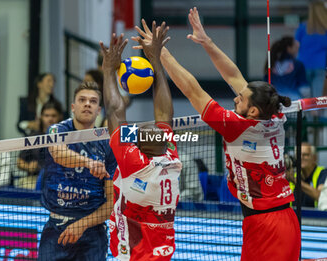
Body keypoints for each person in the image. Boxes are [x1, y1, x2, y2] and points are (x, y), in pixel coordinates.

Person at [133, 8, 300, 261]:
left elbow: (193, 90)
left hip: (270, 226)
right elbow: (233, 75)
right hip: (276, 220)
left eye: (240, 99)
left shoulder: (239, 127)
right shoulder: (274, 114)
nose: (235, 99)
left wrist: (160, 54)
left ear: (252, 110)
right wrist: (206, 41)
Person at [100, 25, 182, 260]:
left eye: (137, 136)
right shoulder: (171, 159)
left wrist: (107, 71)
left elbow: (115, 112)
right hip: (161, 254)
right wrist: (155, 60)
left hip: (133, 255)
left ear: (140, 149)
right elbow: (165, 114)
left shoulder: (135, 163)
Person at [38, 82, 117, 261]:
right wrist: (90, 163)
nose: (87, 104)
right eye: (82, 100)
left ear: (99, 110)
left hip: (92, 230)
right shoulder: (57, 130)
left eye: (93, 101)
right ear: (73, 107)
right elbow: (58, 154)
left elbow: (112, 203)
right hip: (56, 227)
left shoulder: (108, 142)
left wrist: (82, 224)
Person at [16, 101, 63, 190]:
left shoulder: (66, 136)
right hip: (34, 179)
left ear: (60, 117)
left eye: (53, 116)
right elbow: (19, 162)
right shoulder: (33, 137)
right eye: (46, 115)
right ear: (41, 117)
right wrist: (29, 167)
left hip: (59, 179)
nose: (50, 119)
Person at [295, 1, 327, 98]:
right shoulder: (325, 28)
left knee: (305, 99)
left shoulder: (302, 27)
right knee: (317, 100)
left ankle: (307, 114)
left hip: (303, 66)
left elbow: (296, 45)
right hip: (320, 66)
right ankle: (317, 113)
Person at [264, 36, 309, 100]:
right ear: (289, 48)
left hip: (275, 102)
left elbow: (266, 86)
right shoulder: (297, 64)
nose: (297, 49)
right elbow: (304, 90)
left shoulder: (271, 63)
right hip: (294, 102)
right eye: (295, 47)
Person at [286, 142, 327, 208]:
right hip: (295, 216)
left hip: (315, 217)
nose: (301, 158)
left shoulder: (323, 173)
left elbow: (321, 196)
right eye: (299, 155)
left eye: (305, 155)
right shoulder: (293, 176)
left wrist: (294, 180)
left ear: (314, 158)